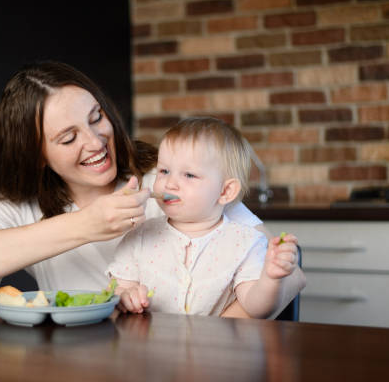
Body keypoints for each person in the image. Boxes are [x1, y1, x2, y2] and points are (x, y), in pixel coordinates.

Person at [0, 60, 305, 318]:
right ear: (35, 154)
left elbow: (285, 271)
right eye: (69, 137)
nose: (95, 141)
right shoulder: (19, 205)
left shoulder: (169, 180)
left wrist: (206, 342)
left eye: (96, 118)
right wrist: (84, 226)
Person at [107, 117, 302, 318]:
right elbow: (118, 290)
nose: (170, 183)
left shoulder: (246, 243)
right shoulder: (138, 236)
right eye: (164, 171)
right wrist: (125, 296)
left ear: (226, 191)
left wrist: (271, 279)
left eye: (189, 175)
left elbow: (257, 308)